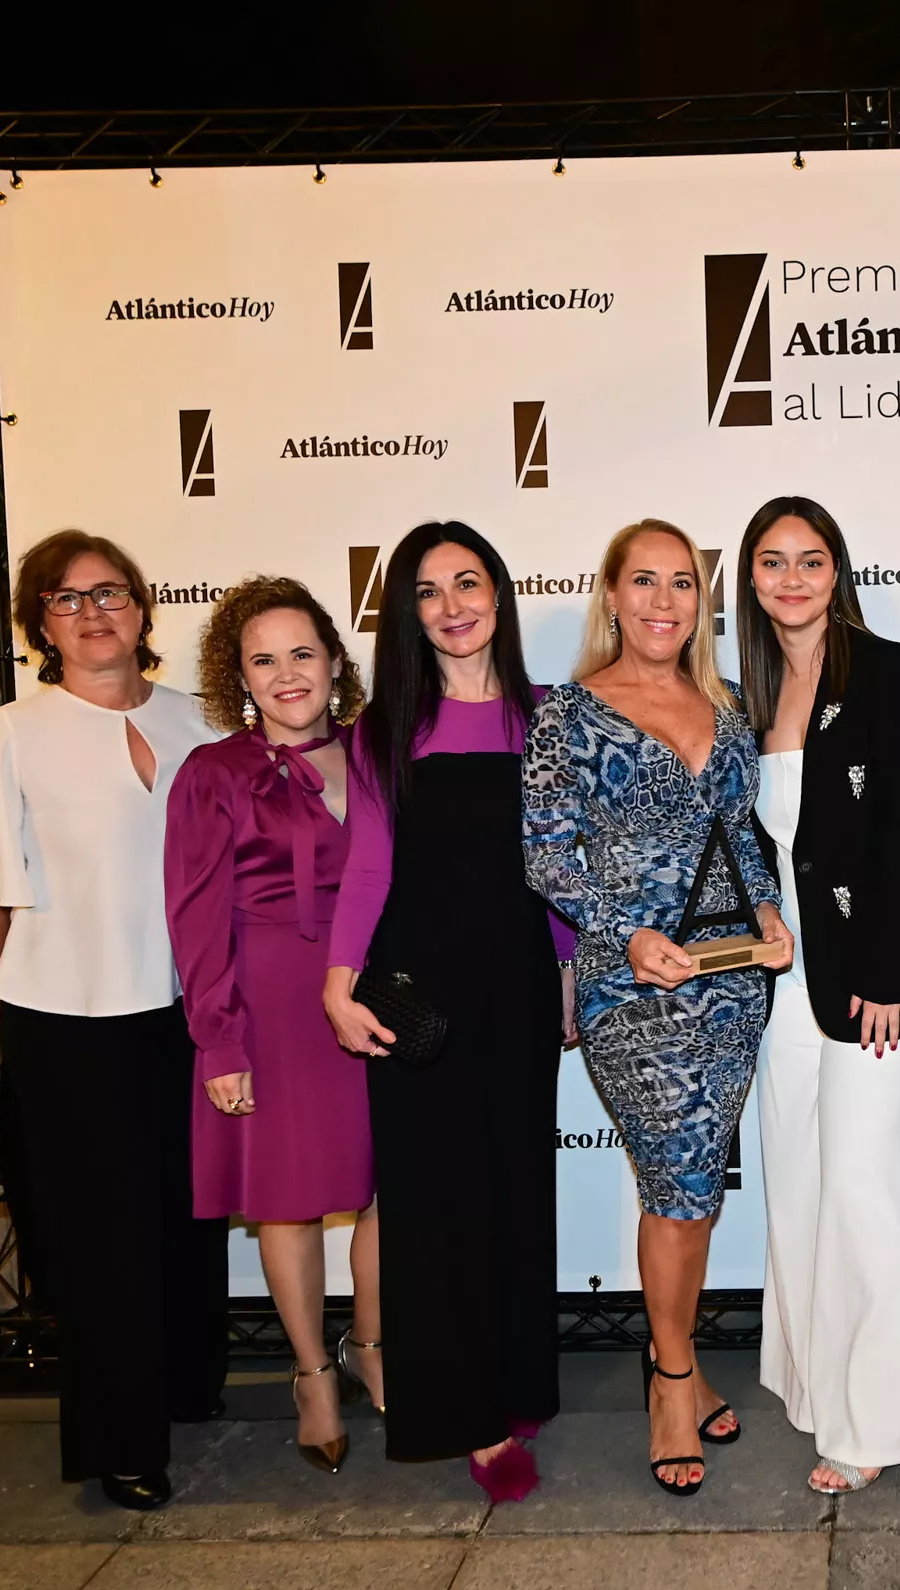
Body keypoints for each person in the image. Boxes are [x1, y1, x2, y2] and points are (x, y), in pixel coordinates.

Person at [0, 529, 228, 1512]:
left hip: (190, 1011)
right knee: (103, 1241)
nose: (94, 610)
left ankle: (185, 1390)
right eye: (67, 599)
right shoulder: (13, 734)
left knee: (187, 1220)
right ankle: (120, 1441)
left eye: (111, 592)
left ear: (144, 610)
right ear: (40, 625)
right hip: (66, 1016)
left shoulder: (204, 723)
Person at [522, 518, 795, 1497]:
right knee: (677, 1185)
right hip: (634, 986)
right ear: (611, 596)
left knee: (694, 1192)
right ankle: (670, 1375)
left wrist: (766, 907)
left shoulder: (719, 708)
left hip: (728, 982)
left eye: (681, 583)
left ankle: (675, 1348)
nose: (662, 601)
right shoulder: (569, 714)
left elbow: (741, 836)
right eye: (644, 581)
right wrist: (625, 932)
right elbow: (546, 853)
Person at [323, 522, 573, 1503]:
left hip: (517, 984)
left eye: (468, 582)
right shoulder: (384, 728)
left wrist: (561, 971)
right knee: (439, 1204)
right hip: (418, 997)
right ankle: (468, 1418)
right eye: (428, 591)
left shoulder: (547, 715)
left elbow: (557, 866)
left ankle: (518, 1380)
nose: (453, 604)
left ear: (499, 594)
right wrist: (338, 984)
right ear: (407, 613)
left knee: (516, 1186)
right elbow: (370, 867)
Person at [736, 496, 900, 1497]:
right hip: (781, 986)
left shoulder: (892, 674)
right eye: (771, 561)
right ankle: (829, 1380)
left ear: (839, 570)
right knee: (803, 1188)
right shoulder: (752, 693)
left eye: (809, 559)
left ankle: (873, 1415)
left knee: (870, 1193)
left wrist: (893, 977)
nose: (790, 578)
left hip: (872, 983)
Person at [167, 577, 377, 1476]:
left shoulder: (378, 756)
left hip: (376, 997)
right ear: (238, 679)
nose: (287, 673)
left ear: (334, 662)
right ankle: (311, 1373)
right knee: (285, 1200)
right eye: (264, 659)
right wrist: (219, 1037)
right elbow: (194, 915)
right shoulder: (214, 774)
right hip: (269, 1004)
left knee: (392, 1189)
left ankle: (374, 1344)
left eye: (302, 652)